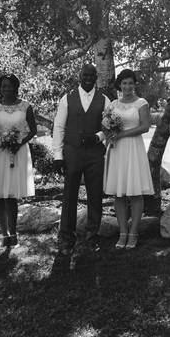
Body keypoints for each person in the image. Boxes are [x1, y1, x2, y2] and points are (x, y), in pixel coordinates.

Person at [53, 64, 110, 255]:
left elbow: (110, 127)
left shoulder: (105, 100)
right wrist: (58, 156)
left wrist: (98, 137)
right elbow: (59, 128)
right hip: (72, 153)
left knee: (95, 195)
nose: (88, 78)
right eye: (85, 74)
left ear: (96, 77)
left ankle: (92, 236)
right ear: (79, 76)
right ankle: (66, 238)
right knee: (69, 195)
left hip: (95, 154)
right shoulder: (67, 99)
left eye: (92, 75)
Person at [0, 74, 37, 248]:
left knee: (11, 194)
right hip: (0, 151)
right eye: (4, 86)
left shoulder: (26, 106)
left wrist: (18, 142)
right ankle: (4, 234)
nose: (7, 89)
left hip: (18, 151)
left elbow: (32, 130)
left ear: (16, 87)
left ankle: (14, 234)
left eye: (10, 85)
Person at [103, 69, 155, 249]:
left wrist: (122, 133)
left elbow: (146, 126)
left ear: (134, 84)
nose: (127, 86)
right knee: (119, 192)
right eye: (124, 83)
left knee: (135, 192)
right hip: (117, 150)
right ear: (119, 85)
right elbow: (105, 126)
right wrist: (109, 133)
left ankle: (133, 232)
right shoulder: (112, 104)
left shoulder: (141, 103)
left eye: (130, 83)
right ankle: (122, 232)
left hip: (134, 148)